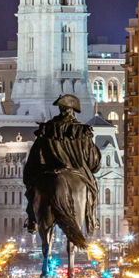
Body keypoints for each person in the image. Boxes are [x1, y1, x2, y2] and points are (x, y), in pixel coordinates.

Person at [23, 94, 100, 233]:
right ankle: (92, 217)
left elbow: (35, 156)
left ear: (60, 109)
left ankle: (32, 219)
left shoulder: (47, 129)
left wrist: (31, 175)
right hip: (77, 170)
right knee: (92, 190)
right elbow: (93, 160)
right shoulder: (82, 131)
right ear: (72, 110)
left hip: (49, 172)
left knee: (32, 190)